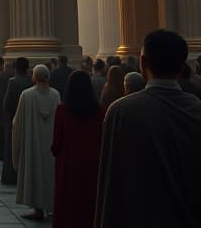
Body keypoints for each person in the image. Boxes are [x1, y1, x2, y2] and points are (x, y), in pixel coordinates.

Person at [95, 29, 201, 228]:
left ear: (143, 63)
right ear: (181, 66)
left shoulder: (121, 112)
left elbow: (111, 186)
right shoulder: (197, 109)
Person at [51, 69, 105, 228]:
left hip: (69, 165)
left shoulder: (62, 110)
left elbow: (56, 143)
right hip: (92, 165)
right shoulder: (100, 111)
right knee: (89, 205)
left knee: (67, 205)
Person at [12, 63, 59, 221]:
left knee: (35, 174)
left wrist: (17, 145)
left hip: (33, 143)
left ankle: (38, 209)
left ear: (35, 77)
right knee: (50, 174)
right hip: (51, 142)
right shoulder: (56, 95)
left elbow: (16, 123)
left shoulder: (27, 95)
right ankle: (52, 206)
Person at [1, 57, 32, 185]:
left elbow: (7, 103)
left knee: (12, 148)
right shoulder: (31, 81)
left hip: (14, 118)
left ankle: (11, 176)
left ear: (15, 68)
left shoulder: (12, 82)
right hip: (28, 120)